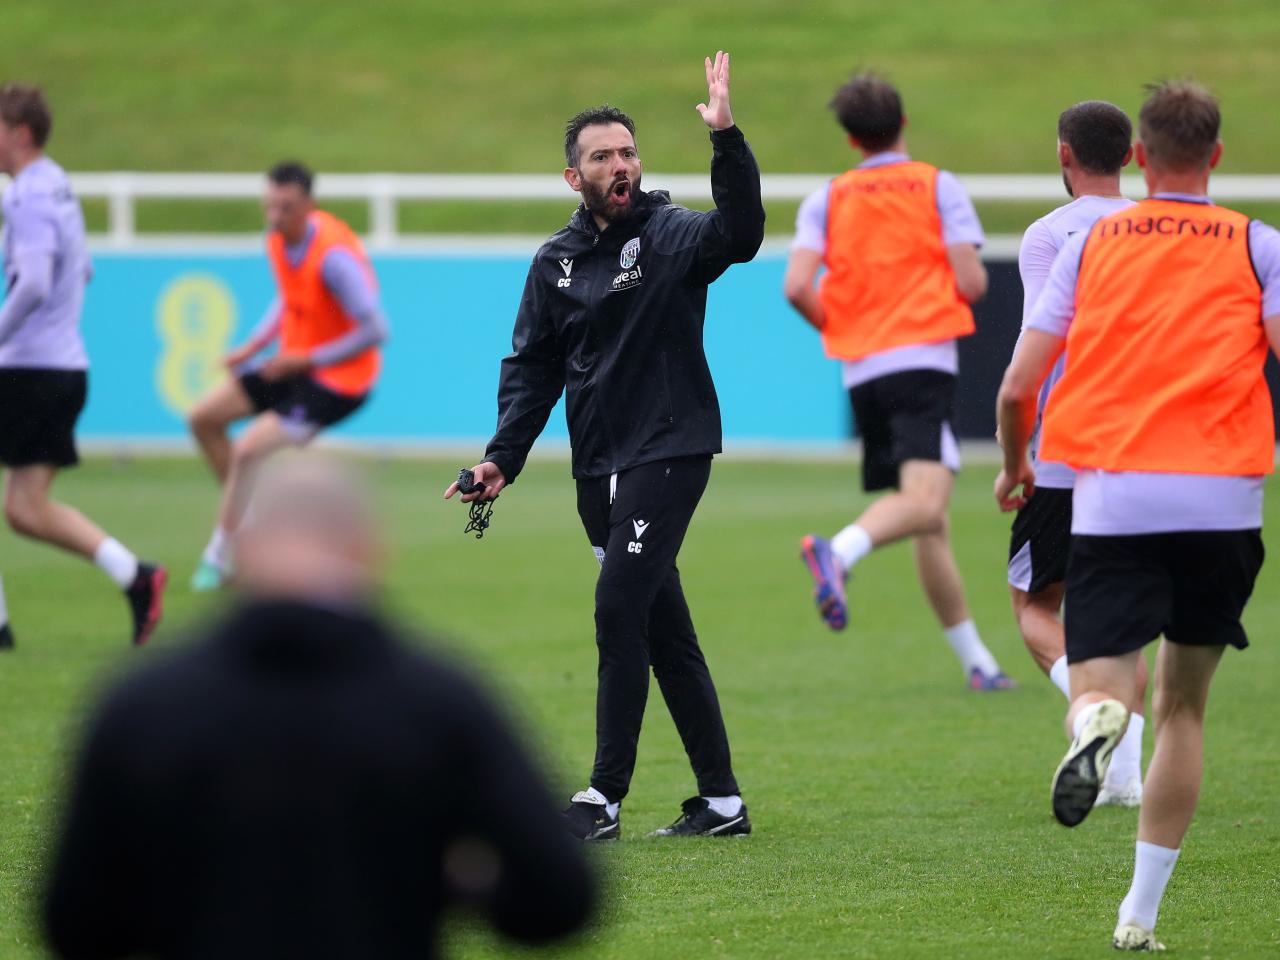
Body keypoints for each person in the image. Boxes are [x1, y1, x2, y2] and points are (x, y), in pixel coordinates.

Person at [44, 454, 595, 960]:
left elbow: (75, 923)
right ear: (370, 551)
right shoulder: (438, 702)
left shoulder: (145, 704)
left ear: (239, 552)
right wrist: (448, 877)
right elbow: (559, 899)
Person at [446, 51, 763, 840]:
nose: (619, 165)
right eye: (602, 157)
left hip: (669, 450)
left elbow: (742, 234)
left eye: (627, 152)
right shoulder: (554, 264)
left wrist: (726, 140)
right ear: (573, 177)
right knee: (663, 631)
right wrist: (501, 459)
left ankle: (601, 799)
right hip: (597, 469)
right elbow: (533, 367)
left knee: (618, 607)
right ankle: (721, 802)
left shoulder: (669, 233)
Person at [996, 81, 1279, 952]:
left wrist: (1016, 468)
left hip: (1115, 492)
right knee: (1185, 709)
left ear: (1143, 160)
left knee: (1104, 673)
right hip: (1222, 494)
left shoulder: (1092, 242)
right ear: (1217, 159)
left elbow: (1015, 386)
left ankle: (1092, 724)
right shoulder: (1257, 242)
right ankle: (1139, 916)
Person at [784, 72, 1011, 690]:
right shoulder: (938, 187)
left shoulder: (826, 199)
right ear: (903, 124)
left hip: (863, 371)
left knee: (927, 519)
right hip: (921, 363)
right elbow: (971, 283)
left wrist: (846, 324)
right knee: (926, 501)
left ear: (851, 140)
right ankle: (841, 552)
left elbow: (797, 286)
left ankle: (977, 663)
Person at [1006, 100, 1147, 806]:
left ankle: (1088, 706)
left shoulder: (1048, 236)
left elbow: (1040, 349)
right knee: (1128, 609)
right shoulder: (1158, 231)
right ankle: (1127, 777)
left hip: (1065, 445)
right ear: (1130, 155)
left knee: (1035, 602)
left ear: (1065, 154)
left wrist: (1016, 455)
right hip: (1150, 448)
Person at [0, 83, 165, 648]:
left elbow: (37, 281)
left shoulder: (27, 197)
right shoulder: (57, 186)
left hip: (27, 368)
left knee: (24, 505)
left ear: (19, 133)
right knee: (24, 508)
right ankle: (136, 575)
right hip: (60, 365)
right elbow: (84, 271)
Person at [186, 161, 388, 591]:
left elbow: (375, 330)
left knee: (247, 451)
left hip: (340, 382)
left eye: (286, 208)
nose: (276, 217)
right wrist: (254, 346)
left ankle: (220, 554)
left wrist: (306, 360)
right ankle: (252, 527)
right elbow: (288, 297)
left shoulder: (335, 257)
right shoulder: (278, 241)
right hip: (294, 363)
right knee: (203, 418)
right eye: (270, 207)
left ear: (309, 206)